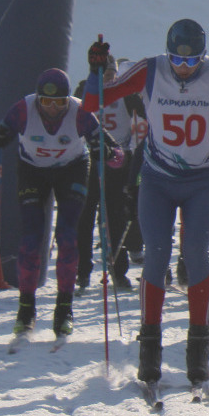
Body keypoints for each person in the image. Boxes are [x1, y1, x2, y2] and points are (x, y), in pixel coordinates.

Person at [84, 21, 209, 386]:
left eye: (192, 60)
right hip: (158, 180)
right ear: (167, 52)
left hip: (202, 180)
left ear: (204, 56)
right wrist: (95, 72)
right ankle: (150, 348)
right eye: (177, 58)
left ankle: (197, 349)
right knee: (157, 256)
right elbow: (94, 103)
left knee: (196, 254)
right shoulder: (151, 69)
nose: (184, 66)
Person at [0, 68, 121, 340]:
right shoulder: (23, 109)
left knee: (67, 235)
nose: (53, 109)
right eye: (46, 102)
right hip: (33, 170)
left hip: (72, 170)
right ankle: (25, 309)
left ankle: (64, 309)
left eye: (60, 102)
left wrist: (107, 152)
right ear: (38, 99)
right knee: (31, 238)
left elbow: (118, 155)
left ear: (68, 100)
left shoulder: (79, 112)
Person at [74, 66, 142, 293]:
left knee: (115, 218)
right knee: (84, 218)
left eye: (112, 76)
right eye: (104, 76)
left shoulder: (125, 94)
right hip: (89, 162)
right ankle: (82, 272)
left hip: (118, 161)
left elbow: (148, 112)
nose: (108, 81)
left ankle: (118, 271)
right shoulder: (84, 90)